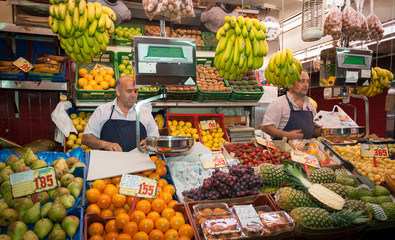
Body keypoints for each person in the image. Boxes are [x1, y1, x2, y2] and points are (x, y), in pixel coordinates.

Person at [82, 75, 159, 152]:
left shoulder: (145, 113)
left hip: (139, 162)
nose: (133, 95)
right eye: (129, 91)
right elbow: (86, 138)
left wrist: (150, 143)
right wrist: (105, 144)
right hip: (109, 162)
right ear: (118, 91)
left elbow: (157, 140)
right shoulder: (102, 111)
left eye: (136, 91)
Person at [261, 70, 322, 140]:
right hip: (284, 150)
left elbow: (314, 133)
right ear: (290, 83)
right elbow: (266, 127)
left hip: (307, 150)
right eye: (302, 81)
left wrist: (317, 130)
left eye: (307, 81)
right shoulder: (278, 103)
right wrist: (287, 135)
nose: (306, 85)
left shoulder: (310, 106)